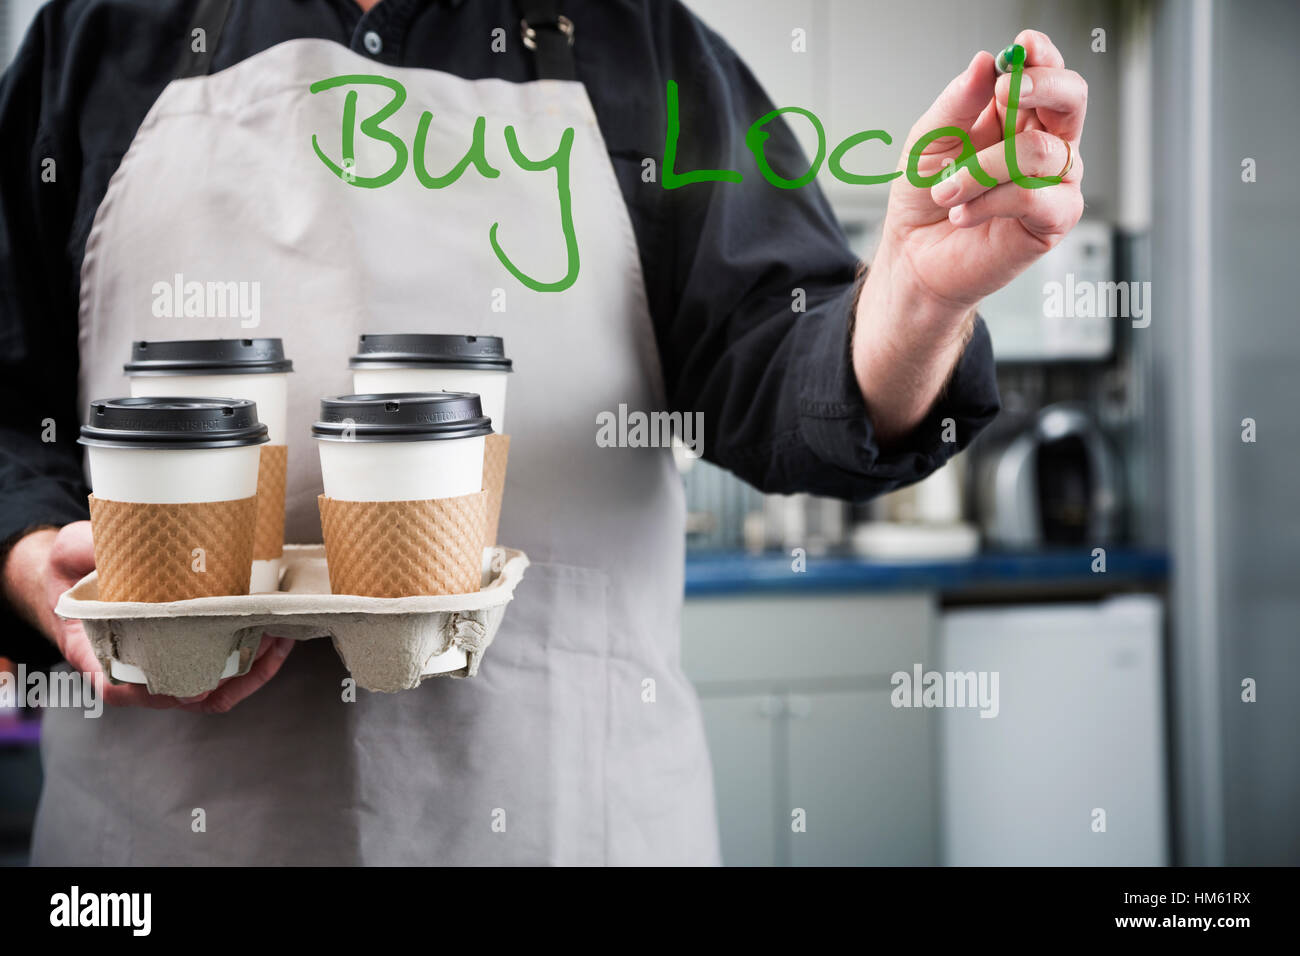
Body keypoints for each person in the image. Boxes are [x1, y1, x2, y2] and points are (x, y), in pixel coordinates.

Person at [0, 0, 1085, 865]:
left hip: (571, 823)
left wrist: (911, 301)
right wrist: (25, 551)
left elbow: (787, 381)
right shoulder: (99, 40)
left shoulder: (641, 48)